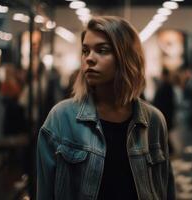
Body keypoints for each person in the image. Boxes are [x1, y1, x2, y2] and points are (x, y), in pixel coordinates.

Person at [36, 16, 175, 200]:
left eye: (102, 50)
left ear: (126, 57)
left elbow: (165, 190)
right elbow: (44, 193)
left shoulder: (153, 121)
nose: (89, 59)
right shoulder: (61, 118)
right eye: (85, 51)